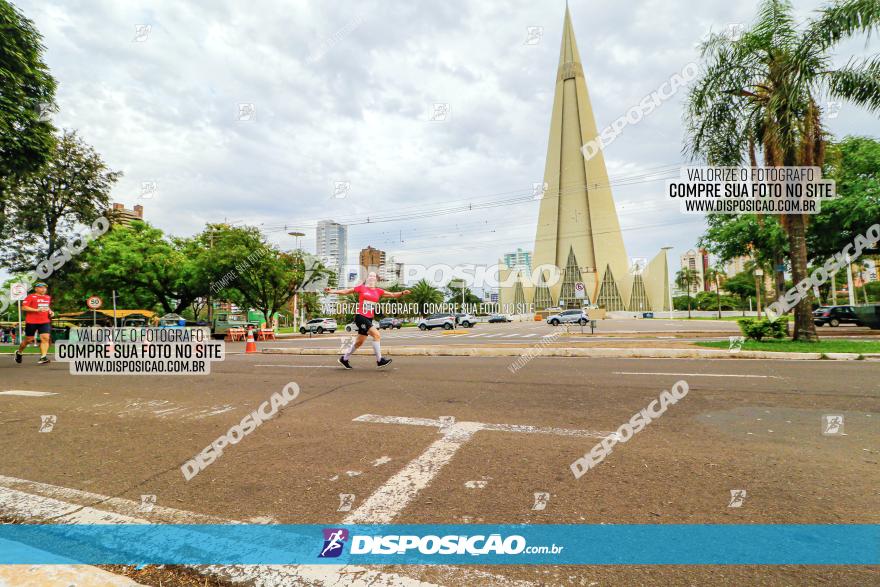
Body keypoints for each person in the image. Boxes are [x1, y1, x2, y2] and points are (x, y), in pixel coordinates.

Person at [325, 272, 410, 369]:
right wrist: (332, 291)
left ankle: (344, 359)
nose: (372, 277)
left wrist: (403, 293)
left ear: (376, 280)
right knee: (376, 335)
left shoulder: (379, 291)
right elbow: (346, 291)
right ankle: (379, 360)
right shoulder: (361, 288)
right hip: (360, 316)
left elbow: (393, 294)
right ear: (367, 278)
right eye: (370, 276)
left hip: (369, 318)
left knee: (359, 342)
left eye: (374, 276)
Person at [15, 282, 54, 365]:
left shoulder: (47, 297)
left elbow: (46, 306)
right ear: (36, 289)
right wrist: (37, 310)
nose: (43, 289)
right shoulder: (30, 297)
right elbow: (24, 307)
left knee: (45, 338)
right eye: (41, 287)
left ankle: (43, 357)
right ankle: (19, 352)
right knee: (29, 340)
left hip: (44, 321)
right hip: (31, 321)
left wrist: (50, 311)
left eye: (45, 288)